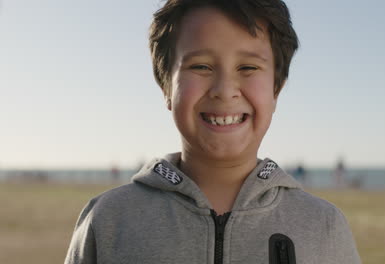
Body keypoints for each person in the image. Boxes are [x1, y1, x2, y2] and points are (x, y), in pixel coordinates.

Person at [65, 1, 361, 263]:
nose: (224, 90)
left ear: (276, 90)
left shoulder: (324, 225)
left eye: (247, 67)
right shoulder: (108, 219)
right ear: (166, 86)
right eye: (202, 66)